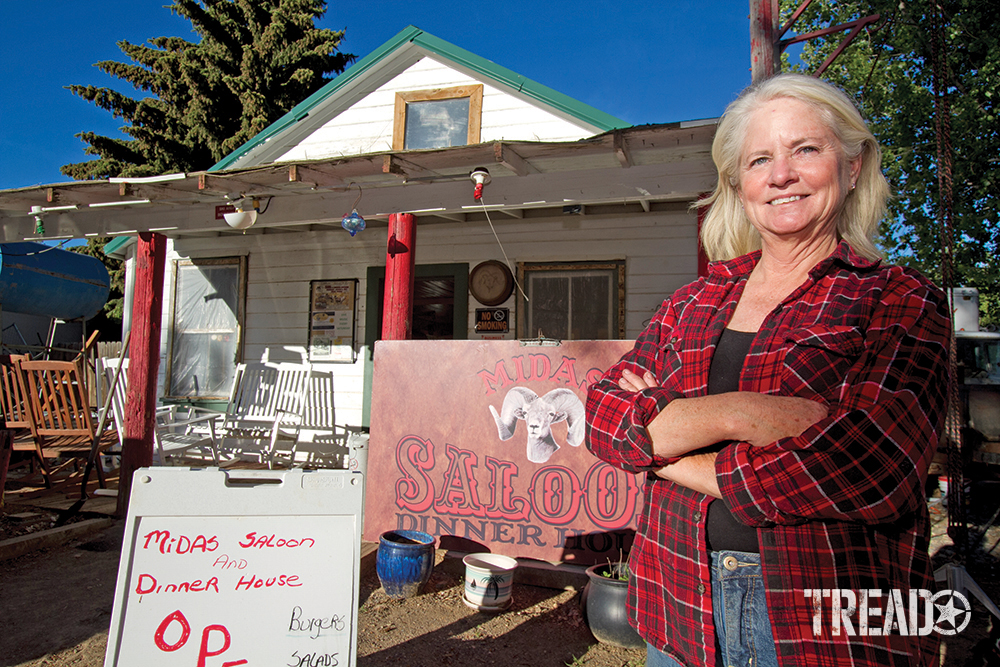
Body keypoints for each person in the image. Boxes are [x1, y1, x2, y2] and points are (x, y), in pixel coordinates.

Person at [585, 73, 950, 667]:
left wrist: (667, 449)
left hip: (824, 624)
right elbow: (601, 415)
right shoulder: (693, 302)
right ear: (740, 185)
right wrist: (745, 413)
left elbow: (874, 466)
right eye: (760, 159)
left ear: (852, 166)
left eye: (805, 149)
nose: (781, 174)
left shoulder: (897, 298)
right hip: (679, 603)